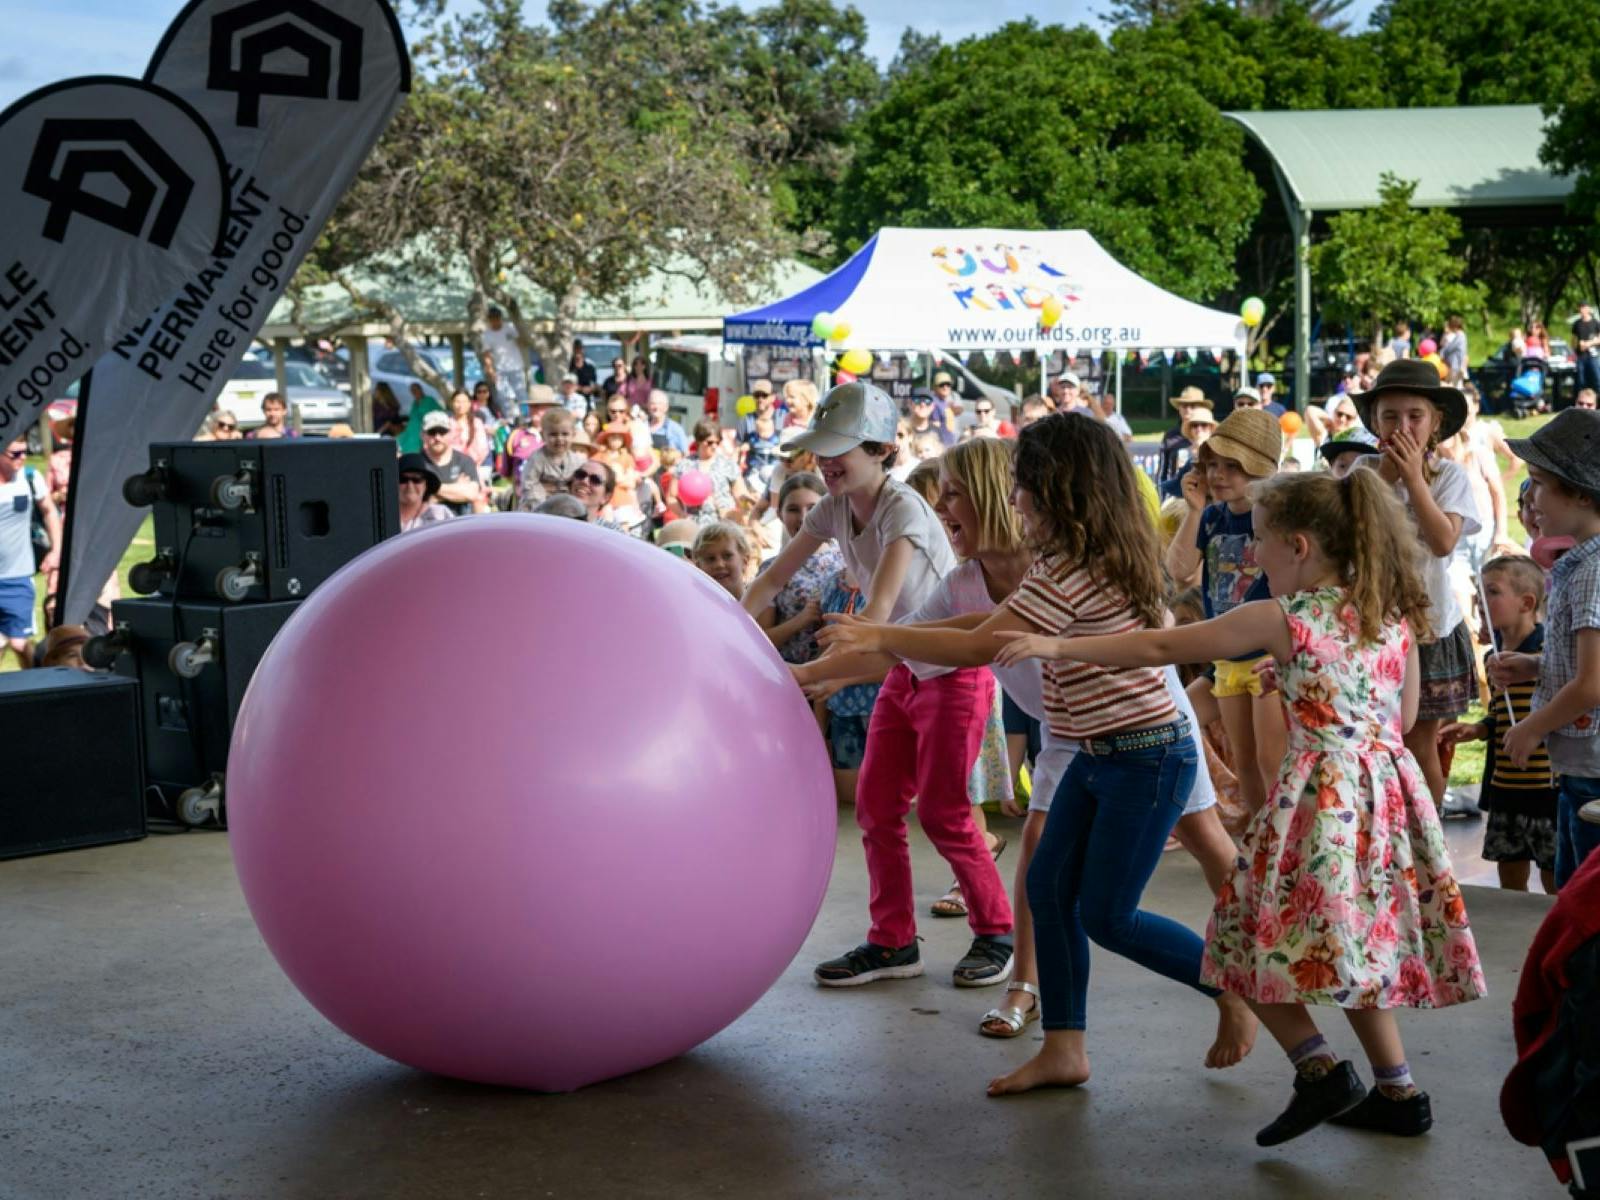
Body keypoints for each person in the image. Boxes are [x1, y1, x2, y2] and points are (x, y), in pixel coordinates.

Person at [996, 467, 1486, 1144]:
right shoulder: (1388, 615)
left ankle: (1318, 1070)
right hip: (1385, 800)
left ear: (1301, 546)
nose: (1252, 555)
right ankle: (1399, 1090)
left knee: (1241, 938)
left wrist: (1057, 643)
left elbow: (1164, 646)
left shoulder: (1284, 617)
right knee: (1359, 945)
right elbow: (1399, 718)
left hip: (1323, 801)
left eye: (1260, 540)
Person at [816, 413, 1256, 1091]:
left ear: (1055, 490)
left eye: (1024, 485)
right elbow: (977, 625)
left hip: (1141, 747)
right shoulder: (1061, 562)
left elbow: (975, 645)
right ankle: (1065, 1046)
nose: (1016, 496)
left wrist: (881, 637)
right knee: (1048, 887)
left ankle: (1232, 985)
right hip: (1087, 747)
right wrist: (870, 642)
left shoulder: (1072, 569)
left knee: (1111, 912)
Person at [741, 381, 1014, 990]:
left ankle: (997, 931)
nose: (827, 461)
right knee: (875, 807)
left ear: (884, 450)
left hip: (950, 671)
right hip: (902, 668)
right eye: (820, 448)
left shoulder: (904, 510)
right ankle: (893, 941)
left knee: (945, 813)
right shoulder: (832, 508)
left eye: (842, 448)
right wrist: (733, 625)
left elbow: (881, 619)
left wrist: (815, 674)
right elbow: (771, 578)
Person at [1358, 359, 1481, 821]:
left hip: (1429, 631)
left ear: (1436, 424)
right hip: (1372, 627)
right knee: (1373, 739)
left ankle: (1425, 838)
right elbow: (1349, 540)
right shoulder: (1362, 476)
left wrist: (1413, 479)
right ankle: (1381, 830)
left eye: (1415, 416)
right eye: (1390, 416)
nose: (1402, 426)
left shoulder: (1450, 477)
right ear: (1374, 422)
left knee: (1417, 741)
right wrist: (1387, 478)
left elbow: (1443, 541)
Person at [1494, 408, 1600, 886]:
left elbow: (1593, 684)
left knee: (1585, 903)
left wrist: (1530, 727)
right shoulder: (1578, 566)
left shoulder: (1593, 574)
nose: (1531, 497)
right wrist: (1534, 665)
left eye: (1538, 482)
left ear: (1580, 493)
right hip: (1578, 763)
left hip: (1592, 768)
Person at [1166, 407, 1287, 818]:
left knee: (1274, 763)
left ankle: (1284, 843)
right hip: (1227, 659)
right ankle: (1260, 842)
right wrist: (1196, 510)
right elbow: (1177, 570)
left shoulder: (1277, 518)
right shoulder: (1214, 516)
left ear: (1262, 469)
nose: (1218, 475)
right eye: (1212, 464)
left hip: (1265, 656)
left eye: (1232, 466)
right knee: (1245, 761)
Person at [1442, 555, 1557, 893]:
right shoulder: (1493, 655)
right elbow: (1501, 713)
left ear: (1527, 603)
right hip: (1506, 786)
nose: (1481, 601)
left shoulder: (1549, 653)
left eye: (1492, 592)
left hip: (1546, 786)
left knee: (1553, 874)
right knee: (1510, 870)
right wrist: (1479, 728)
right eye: (1479, 594)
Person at [752, 472, 840, 664]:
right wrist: (799, 621)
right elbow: (759, 641)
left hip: (837, 676)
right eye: (793, 509)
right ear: (779, 515)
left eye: (813, 508)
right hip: (790, 676)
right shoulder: (771, 570)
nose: (804, 517)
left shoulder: (848, 561)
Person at [0, 436, 60, 670]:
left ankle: (36, 681)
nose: (22, 457)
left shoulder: (29, 478)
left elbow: (49, 512)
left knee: (18, 643)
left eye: (24, 452)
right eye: (15, 454)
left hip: (18, 577)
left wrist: (56, 550)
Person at [518, 407, 589, 509]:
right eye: (553, 434)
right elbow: (529, 484)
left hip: (567, 505)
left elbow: (581, 483)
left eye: (565, 434)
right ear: (543, 435)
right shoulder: (537, 458)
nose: (559, 439)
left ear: (573, 434)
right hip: (537, 505)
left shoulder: (577, 461)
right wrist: (543, 500)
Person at [420, 411, 485, 515]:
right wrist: (456, 488)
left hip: (460, 525)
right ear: (423, 435)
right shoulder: (416, 463)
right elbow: (413, 501)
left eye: (442, 432)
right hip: (427, 526)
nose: (437, 437)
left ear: (450, 434)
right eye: (432, 432)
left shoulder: (465, 461)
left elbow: (472, 493)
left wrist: (431, 489)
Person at [1157, 406, 1217, 501]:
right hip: (1182, 500)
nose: (1199, 429)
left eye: (1204, 425)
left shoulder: (1219, 454)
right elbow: (1174, 482)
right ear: (1190, 429)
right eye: (1195, 425)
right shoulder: (1182, 452)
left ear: (1211, 429)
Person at [479, 305, 527, 417]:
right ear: (489, 320)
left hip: (516, 366)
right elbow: (487, 354)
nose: (495, 320)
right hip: (500, 369)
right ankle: (509, 418)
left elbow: (521, 341)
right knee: (503, 395)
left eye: (497, 317)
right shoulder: (486, 335)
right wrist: (491, 370)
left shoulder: (509, 327)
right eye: (492, 318)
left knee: (521, 393)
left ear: (501, 317)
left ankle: (526, 416)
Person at [1158, 386, 1209, 482]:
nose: (1188, 409)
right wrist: (1163, 496)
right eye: (1184, 406)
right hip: (1175, 494)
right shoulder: (1170, 437)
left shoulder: (1212, 435)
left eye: (1193, 406)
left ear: (1202, 408)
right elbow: (1162, 474)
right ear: (1179, 409)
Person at [567, 458, 630, 534]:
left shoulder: (612, 534)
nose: (584, 481)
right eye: (580, 475)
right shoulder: (550, 518)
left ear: (606, 497)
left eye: (595, 479)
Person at [690, 521, 751, 598]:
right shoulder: (695, 607)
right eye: (710, 559)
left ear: (745, 561)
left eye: (727, 556)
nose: (719, 564)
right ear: (698, 567)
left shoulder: (764, 606)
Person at [396, 453, 452, 532]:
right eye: (403, 479)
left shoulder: (441, 515)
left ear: (426, 485)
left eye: (417, 480)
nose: (410, 485)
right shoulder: (383, 517)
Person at [445, 389, 490, 470]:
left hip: (472, 467)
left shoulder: (476, 423)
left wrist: (470, 465)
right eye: (457, 401)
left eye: (464, 402)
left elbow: (483, 448)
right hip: (449, 468)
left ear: (469, 403)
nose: (460, 405)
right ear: (452, 403)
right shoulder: (446, 423)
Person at [644, 389, 689, 455]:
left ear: (666, 407)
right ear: (648, 406)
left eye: (660, 403)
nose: (656, 407)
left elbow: (685, 454)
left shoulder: (676, 429)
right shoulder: (642, 426)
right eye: (653, 403)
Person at [1572, 302, 1600, 396]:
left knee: (1597, 379)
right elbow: (1574, 340)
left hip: (1593, 356)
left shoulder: (1595, 323)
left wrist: (1588, 343)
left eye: (1584, 307)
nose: (1582, 310)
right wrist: (1576, 348)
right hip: (1581, 357)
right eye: (1580, 307)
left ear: (1588, 309)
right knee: (1581, 381)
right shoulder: (1577, 324)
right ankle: (1581, 404)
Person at [1440, 315, 1469, 386]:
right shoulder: (1459, 335)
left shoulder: (1460, 335)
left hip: (1456, 366)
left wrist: (1442, 353)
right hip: (1455, 365)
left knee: (1455, 386)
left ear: (1454, 326)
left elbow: (1450, 348)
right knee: (1454, 385)